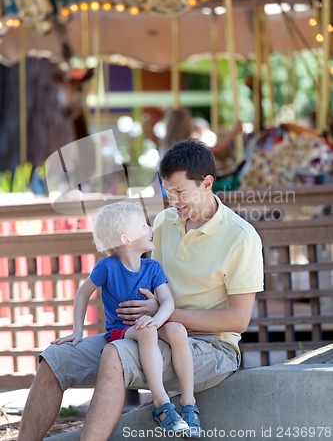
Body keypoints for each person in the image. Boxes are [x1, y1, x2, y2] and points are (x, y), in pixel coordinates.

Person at [18, 138, 264, 441]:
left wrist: (162, 316)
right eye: (167, 191)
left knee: (116, 354)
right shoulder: (162, 223)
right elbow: (143, 279)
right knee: (56, 360)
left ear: (207, 183)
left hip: (210, 349)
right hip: (148, 332)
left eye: (179, 191)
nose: (172, 200)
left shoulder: (241, 237)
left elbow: (237, 320)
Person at [50, 201, 199, 436]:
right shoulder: (107, 267)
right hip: (122, 329)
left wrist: (157, 321)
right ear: (126, 240)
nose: (151, 229)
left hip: (152, 323)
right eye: (143, 226)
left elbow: (168, 301)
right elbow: (82, 294)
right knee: (147, 332)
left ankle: (189, 404)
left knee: (178, 330)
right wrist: (77, 331)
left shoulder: (152, 267)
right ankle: (162, 403)